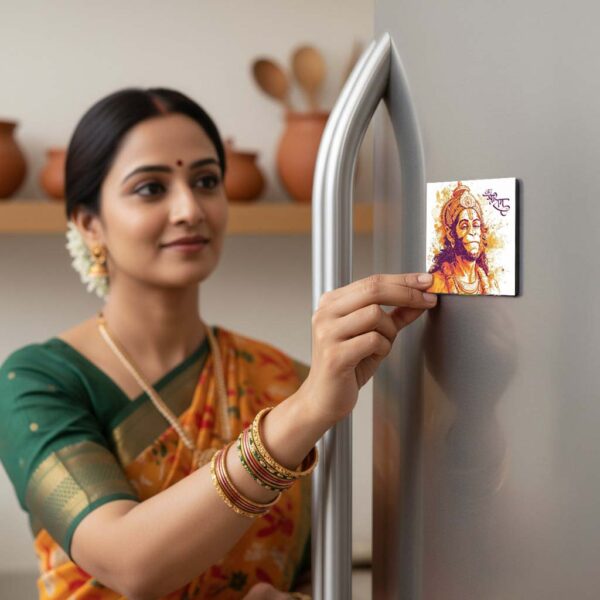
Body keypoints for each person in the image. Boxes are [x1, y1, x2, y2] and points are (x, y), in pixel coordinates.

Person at [0, 87, 438, 600]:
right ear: (88, 223)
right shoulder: (37, 382)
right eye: (150, 188)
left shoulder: (281, 378)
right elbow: (128, 563)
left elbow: (310, 569)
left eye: (206, 181)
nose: (190, 208)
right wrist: (302, 416)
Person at [427, 182, 500, 295]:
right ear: (451, 235)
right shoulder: (436, 282)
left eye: (476, 225)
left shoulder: (491, 284)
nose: (472, 232)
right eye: (464, 226)